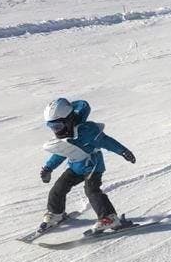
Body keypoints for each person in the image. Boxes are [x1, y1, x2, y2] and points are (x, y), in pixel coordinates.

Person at [38, 98, 136, 233]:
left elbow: (106, 142)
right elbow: (61, 153)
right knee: (58, 188)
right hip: (74, 167)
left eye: (58, 126)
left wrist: (123, 151)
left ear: (69, 120)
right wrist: (48, 167)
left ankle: (109, 218)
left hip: (92, 167)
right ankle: (56, 214)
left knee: (91, 190)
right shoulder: (65, 135)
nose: (56, 131)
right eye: (52, 127)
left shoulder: (87, 131)